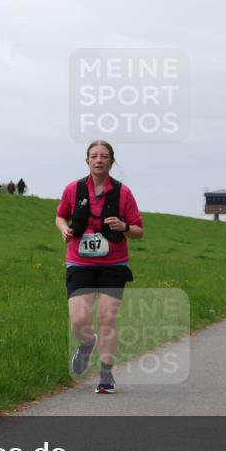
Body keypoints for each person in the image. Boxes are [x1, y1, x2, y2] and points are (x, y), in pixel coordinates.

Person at [55, 141, 143, 394]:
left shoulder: (123, 193)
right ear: (87, 161)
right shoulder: (73, 189)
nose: (99, 160)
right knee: (79, 320)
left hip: (113, 263)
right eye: (94, 156)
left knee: (107, 318)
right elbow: (60, 216)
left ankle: (106, 375)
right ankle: (86, 344)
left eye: (104, 156)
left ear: (111, 161)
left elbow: (138, 231)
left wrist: (124, 227)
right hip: (79, 262)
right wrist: (64, 229)